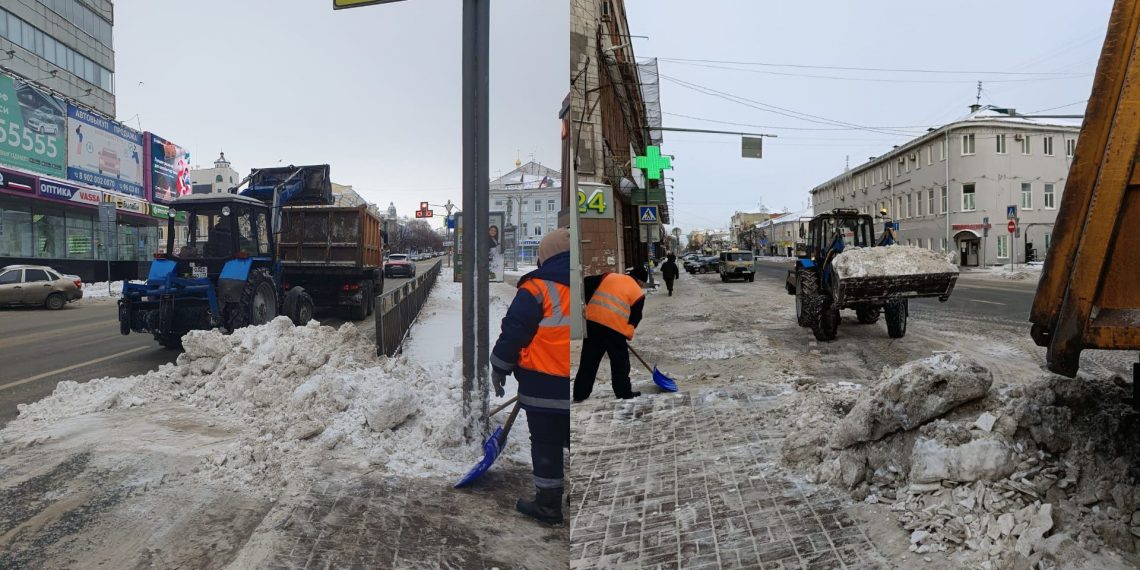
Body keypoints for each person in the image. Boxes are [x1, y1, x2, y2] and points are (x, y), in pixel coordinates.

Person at [490, 228, 570, 525]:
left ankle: (548, 506)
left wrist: (499, 366)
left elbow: (514, 331)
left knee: (547, 442)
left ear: (546, 255)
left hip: (544, 383)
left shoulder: (537, 287)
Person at [573, 269, 646, 402]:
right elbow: (635, 317)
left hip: (593, 324)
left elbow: (585, 283)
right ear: (640, 281)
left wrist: (589, 304)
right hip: (615, 330)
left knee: (588, 361)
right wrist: (626, 333)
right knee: (620, 363)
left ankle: (580, 394)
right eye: (643, 283)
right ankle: (623, 392)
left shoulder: (609, 276)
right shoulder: (638, 293)